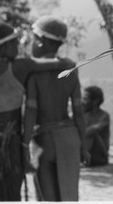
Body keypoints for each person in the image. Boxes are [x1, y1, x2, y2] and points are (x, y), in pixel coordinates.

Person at [0, 21, 75, 201]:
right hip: (12, 148)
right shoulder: (21, 67)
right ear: (5, 46)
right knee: (12, 196)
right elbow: (54, 64)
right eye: (15, 42)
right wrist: (68, 62)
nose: (18, 45)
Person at [22, 16, 90, 201]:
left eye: (34, 39)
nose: (31, 44)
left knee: (47, 198)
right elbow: (78, 112)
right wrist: (83, 146)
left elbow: (31, 113)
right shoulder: (70, 69)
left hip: (45, 142)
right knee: (69, 196)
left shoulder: (34, 73)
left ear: (41, 41)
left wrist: (24, 144)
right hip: (70, 139)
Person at [82, 85, 110, 167]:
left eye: (85, 99)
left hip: (99, 156)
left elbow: (92, 130)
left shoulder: (104, 116)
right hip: (85, 152)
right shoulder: (82, 114)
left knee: (91, 133)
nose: (82, 101)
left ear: (95, 101)